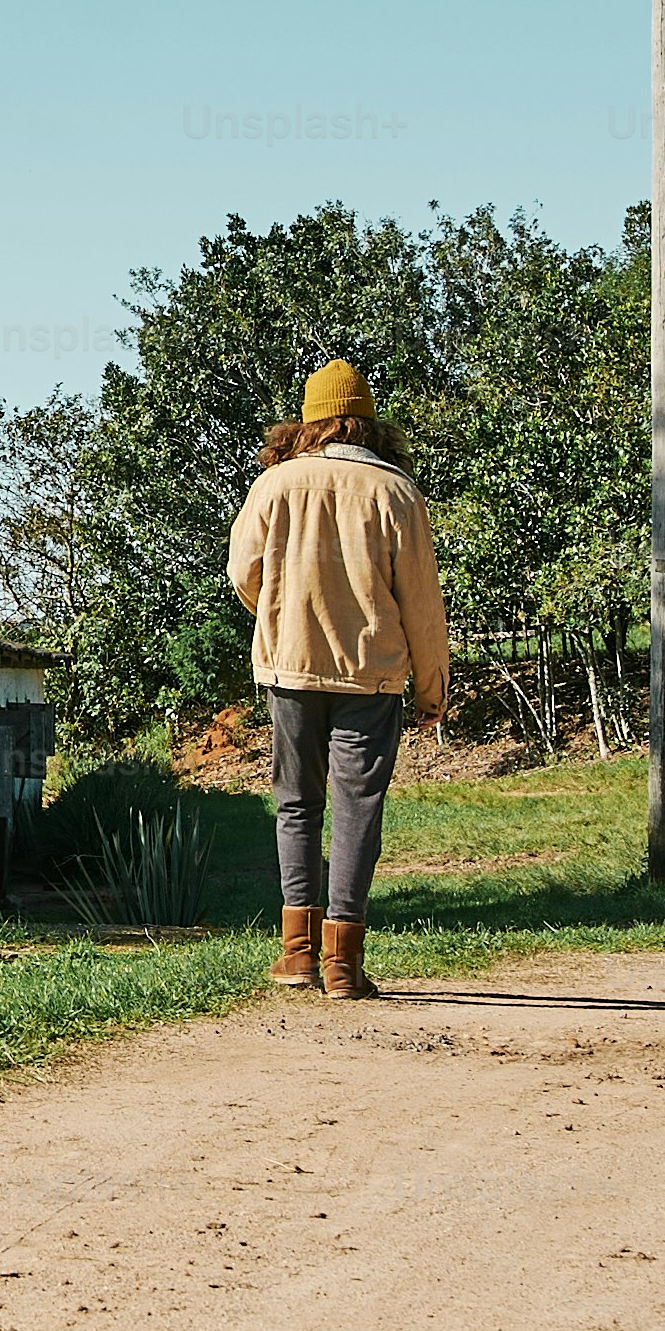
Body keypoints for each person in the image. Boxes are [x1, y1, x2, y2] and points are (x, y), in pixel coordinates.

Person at [223, 357, 450, 1000]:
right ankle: (343, 966)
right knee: (357, 811)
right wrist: (432, 688)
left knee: (296, 804)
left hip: (290, 666)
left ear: (308, 420)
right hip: (371, 675)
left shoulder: (274, 485)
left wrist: (281, 615)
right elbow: (422, 604)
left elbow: (244, 572)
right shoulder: (397, 492)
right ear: (368, 421)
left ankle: (296, 955)